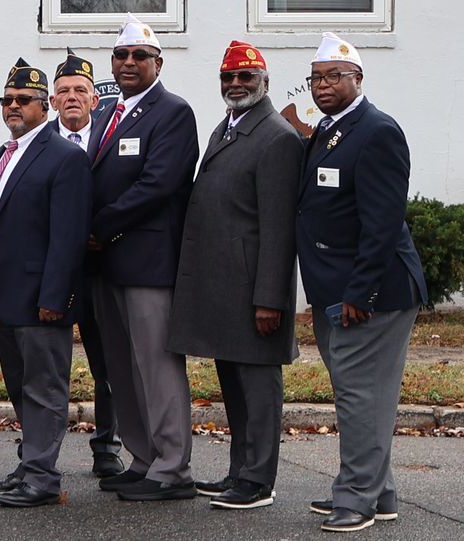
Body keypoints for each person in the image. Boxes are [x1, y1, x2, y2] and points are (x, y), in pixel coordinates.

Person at [297, 33, 426, 533]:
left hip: (374, 294)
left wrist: (361, 293)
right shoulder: (330, 130)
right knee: (361, 395)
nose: (323, 85)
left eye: (335, 76)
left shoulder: (376, 131)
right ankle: (382, 491)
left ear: (358, 80)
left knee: (359, 398)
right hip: (337, 290)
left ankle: (355, 498)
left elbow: (384, 223)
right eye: (316, 77)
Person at [167, 41, 303, 512]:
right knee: (235, 386)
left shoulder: (278, 137)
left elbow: (279, 227)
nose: (235, 85)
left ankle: (258, 481)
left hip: (252, 290)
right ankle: (238, 471)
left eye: (245, 78)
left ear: (264, 81)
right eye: (228, 78)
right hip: (224, 287)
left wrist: (270, 299)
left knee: (259, 389)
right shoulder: (228, 128)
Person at [87, 14, 201, 501]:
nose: (128, 63)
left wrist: (97, 227)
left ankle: (173, 467)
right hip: (105, 263)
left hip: (148, 261)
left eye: (139, 56)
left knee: (156, 367)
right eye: (121, 56)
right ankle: (143, 456)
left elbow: (158, 184)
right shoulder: (105, 113)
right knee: (121, 368)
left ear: (159, 62)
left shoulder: (172, 112)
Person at [0, 59, 93, 508]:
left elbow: (68, 236)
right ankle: (29, 464)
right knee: (21, 386)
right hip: (6, 294)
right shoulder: (6, 152)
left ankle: (43, 478)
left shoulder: (65, 157)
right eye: (7, 100)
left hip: (41, 298)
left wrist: (55, 296)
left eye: (24, 100)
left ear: (47, 106)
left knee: (44, 389)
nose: (14, 107)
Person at [48, 48, 126, 478]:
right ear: (54, 101)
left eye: (81, 89)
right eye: (63, 91)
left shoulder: (110, 140)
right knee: (43, 364)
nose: (72, 96)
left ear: (96, 99)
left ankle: (106, 446)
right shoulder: (39, 143)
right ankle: (39, 450)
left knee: (107, 362)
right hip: (52, 272)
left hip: (100, 266)